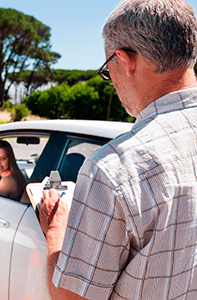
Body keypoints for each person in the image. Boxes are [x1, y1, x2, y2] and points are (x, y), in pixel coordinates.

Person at [39, 0, 197, 299]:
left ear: (125, 60)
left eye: (107, 69)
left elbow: (71, 297)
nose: (111, 80)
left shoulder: (114, 167)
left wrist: (55, 231)